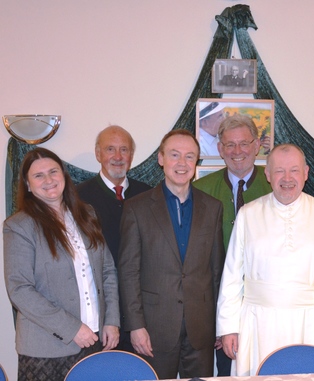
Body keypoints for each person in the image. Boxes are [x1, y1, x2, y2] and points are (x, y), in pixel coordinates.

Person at [217, 144, 314, 376]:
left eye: (294, 170)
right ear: (268, 175)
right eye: (279, 171)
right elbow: (231, 276)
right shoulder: (247, 214)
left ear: (306, 173)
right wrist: (229, 328)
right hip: (258, 324)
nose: (287, 178)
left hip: (310, 324)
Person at [4, 148, 119, 381]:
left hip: (94, 341)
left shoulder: (86, 214)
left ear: (64, 176)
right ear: (27, 184)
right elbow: (20, 290)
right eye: (38, 175)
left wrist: (112, 320)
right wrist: (72, 329)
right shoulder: (19, 226)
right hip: (46, 350)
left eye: (53, 171)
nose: (48, 180)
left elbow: (107, 270)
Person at [118, 129, 225, 379]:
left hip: (201, 330)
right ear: (161, 158)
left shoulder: (213, 208)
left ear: (196, 162)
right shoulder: (137, 208)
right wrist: (135, 326)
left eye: (189, 157)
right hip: (154, 329)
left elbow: (217, 272)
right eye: (174, 155)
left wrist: (221, 325)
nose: (182, 163)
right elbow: (128, 272)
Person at [192, 114, 272, 375]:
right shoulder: (200, 190)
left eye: (244, 143)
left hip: (267, 304)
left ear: (257, 145)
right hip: (219, 302)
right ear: (219, 149)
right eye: (229, 145)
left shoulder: (276, 187)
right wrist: (214, 320)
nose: (237, 152)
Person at [77, 125, 151, 351]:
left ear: (131, 155)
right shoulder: (78, 198)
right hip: (97, 317)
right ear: (98, 154)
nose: (118, 157)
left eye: (124, 150)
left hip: (141, 315)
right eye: (110, 149)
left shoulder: (148, 195)